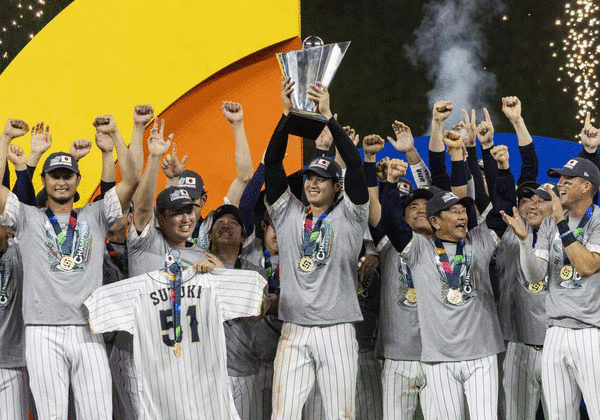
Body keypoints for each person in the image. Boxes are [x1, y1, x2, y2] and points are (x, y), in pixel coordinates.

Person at [0, 115, 139, 419]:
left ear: (77, 180)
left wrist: (116, 134)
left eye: (67, 175)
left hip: (88, 331)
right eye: (55, 176)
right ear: (44, 180)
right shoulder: (27, 218)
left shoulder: (95, 214)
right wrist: (5, 139)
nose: (61, 181)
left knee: (98, 414)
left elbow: (131, 181)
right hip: (41, 331)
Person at [380, 130, 515, 419]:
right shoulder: (419, 249)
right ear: (435, 220)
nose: (462, 216)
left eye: (463, 210)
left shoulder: (479, 241)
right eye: (453, 212)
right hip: (438, 358)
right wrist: (390, 184)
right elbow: (391, 222)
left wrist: (504, 170)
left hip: (482, 354)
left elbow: (504, 209)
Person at [264, 76, 368, 419]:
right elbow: (273, 164)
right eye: (309, 177)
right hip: (293, 329)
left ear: (336, 186)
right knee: (283, 414)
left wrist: (327, 117)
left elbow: (355, 165)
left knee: (340, 414)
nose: (312, 183)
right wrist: (287, 116)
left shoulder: (351, 215)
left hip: (337, 329)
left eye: (321, 179)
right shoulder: (288, 213)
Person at [503, 157, 600, 420]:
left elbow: (587, 266)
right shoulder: (549, 224)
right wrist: (524, 241)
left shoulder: (597, 220)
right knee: (558, 414)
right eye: (559, 179)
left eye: (568, 180)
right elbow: (535, 275)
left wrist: (561, 224)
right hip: (554, 330)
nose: (560, 184)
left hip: (591, 330)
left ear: (586, 186)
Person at [195, 203, 268, 420]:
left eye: (233, 223)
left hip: (242, 372)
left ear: (243, 238)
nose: (226, 225)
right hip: (202, 372)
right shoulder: (195, 267)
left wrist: (224, 276)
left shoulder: (255, 273)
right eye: (220, 222)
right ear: (209, 234)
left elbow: (256, 315)